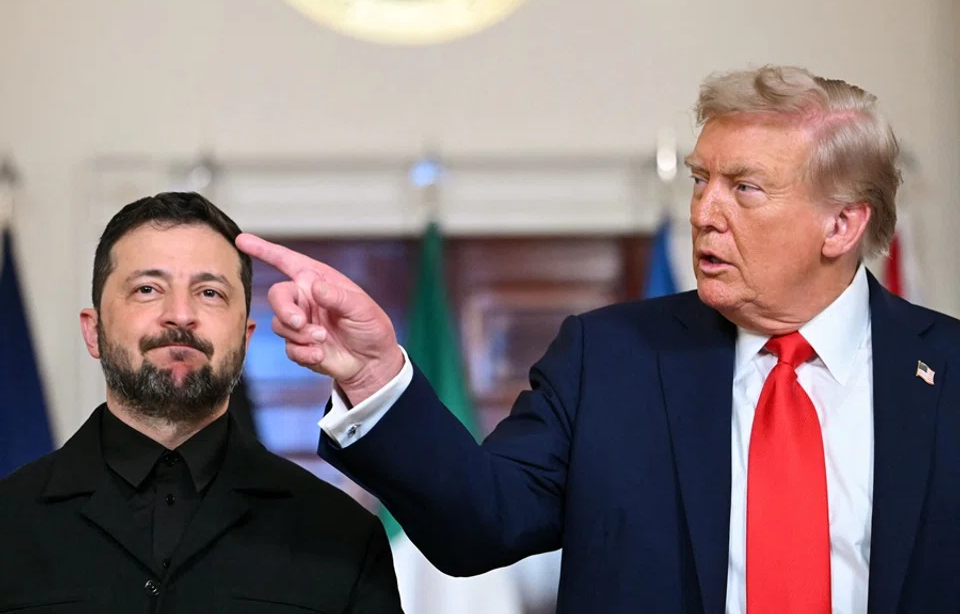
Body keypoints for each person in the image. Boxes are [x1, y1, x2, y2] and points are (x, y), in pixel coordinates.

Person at [237, 65, 960, 613]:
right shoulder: (610, 359)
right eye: (701, 180)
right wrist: (372, 376)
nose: (704, 212)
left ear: (842, 225)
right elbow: (478, 525)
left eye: (745, 188)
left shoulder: (948, 373)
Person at [0, 192, 403, 613]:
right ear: (93, 331)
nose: (180, 314)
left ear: (245, 340)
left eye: (209, 292)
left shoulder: (343, 537)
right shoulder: (7, 524)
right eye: (147, 288)